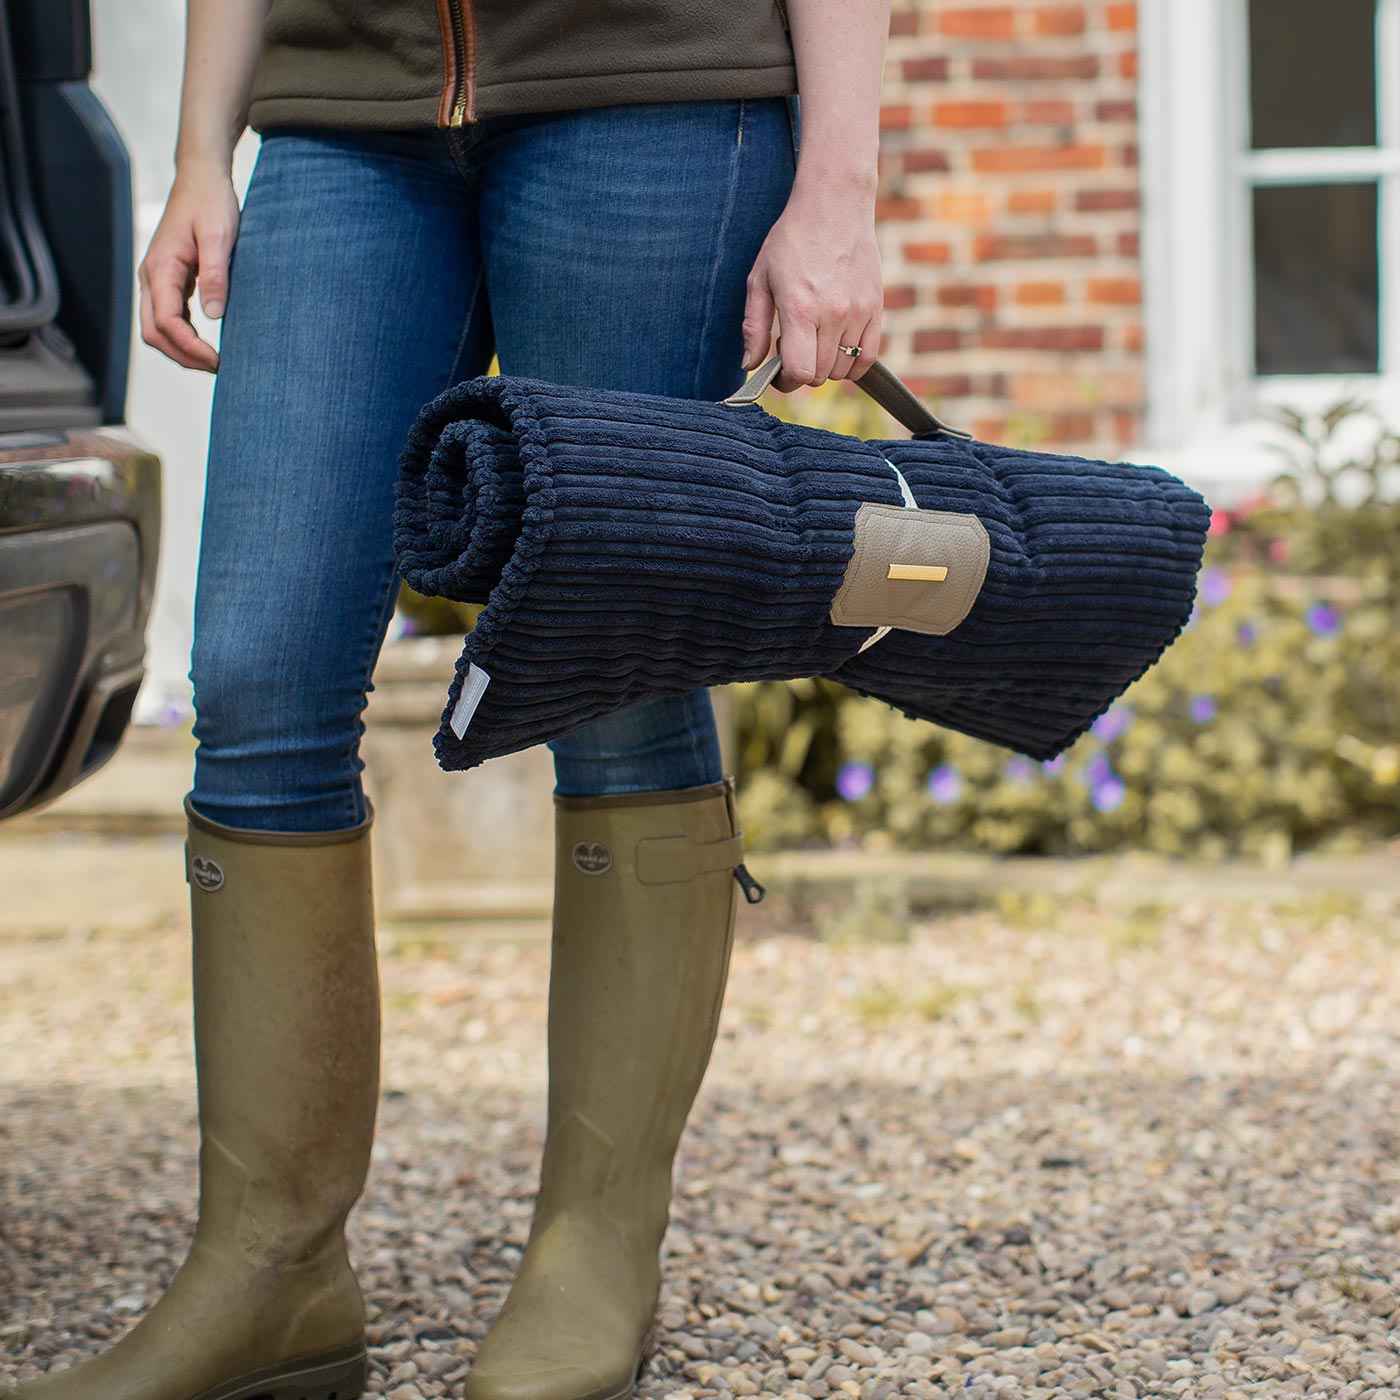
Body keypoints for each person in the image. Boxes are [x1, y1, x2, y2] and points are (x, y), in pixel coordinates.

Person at [3, 2, 891, 1399]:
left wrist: (840, 185)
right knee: (256, 674)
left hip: (651, 93)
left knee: (614, 666)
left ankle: (595, 1248)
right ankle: (271, 1270)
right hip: (341, 111)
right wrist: (197, 151)